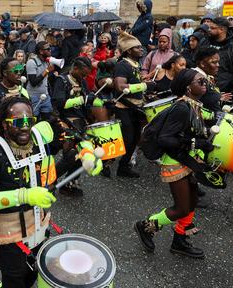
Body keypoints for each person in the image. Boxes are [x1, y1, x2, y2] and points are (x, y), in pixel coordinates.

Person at [0, 96, 100, 288]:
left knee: (35, 270)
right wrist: (25, 195)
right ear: (5, 125)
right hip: (9, 232)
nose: (25, 127)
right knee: (14, 278)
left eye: (29, 121)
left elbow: (78, 138)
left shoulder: (40, 134)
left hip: (40, 224)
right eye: (18, 122)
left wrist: (88, 154)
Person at [134, 69, 213, 259]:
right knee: (182, 208)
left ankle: (180, 240)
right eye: (200, 81)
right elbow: (165, 138)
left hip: (188, 159)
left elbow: (190, 131)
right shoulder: (182, 108)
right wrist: (196, 143)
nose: (205, 83)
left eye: (205, 80)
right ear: (188, 87)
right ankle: (146, 226)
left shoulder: (193, 105)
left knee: (192, 202)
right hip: (176, 162)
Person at [52, 56, 103, 193]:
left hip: (80, 122)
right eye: (83, 74)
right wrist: (82, 99)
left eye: (86, 75)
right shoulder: (61, 80)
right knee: (71, 155)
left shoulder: (82, 81)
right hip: (65, 122)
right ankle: (51, 179)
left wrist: (101, 102)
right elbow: (60, 104)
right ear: (75, 68)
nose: (84, 77)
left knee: (82, 154)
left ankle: (69, 182)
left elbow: (87, 100)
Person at [113, 32, 147, 178]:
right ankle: (106, 162)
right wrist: (144, 86)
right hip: (124, 107)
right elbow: (120, 87)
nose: (141, 49)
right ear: (128, 51)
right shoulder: (122, 65)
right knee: (127, 138)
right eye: (137, 48)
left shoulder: (136, 64)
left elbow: (134, 82)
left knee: (134, 139)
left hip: (136, 107)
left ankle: (123, 167)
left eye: (141, 47)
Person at [199, 17, 233, 92]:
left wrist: (230, 86)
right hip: (203, 85)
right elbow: (197, 60)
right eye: (209, 27)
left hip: (225, 88)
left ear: (221, 30)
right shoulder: (204, 41)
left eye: (212, 28)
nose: (209, 30)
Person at [0, 58, 28, 127]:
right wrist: (7, 107)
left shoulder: (22, 90)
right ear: (5, 73)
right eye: (16, 71)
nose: (19, 74)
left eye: (21, 71)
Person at [193, 47, 232, 113]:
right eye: (214, 62)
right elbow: (197, 100)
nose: (218, 65)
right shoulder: (196, 78)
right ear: (202, 64)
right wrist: (217, 97)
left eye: (218, 62)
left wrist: (216, 95)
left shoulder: (206, 76)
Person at [26, 41, 55, 120]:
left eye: (50, 48)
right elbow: (33, 82)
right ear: (41, 51)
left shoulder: (46, 62)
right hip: (34, 97)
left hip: (45, 95)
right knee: (34, 119)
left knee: (47, 119)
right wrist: (47, 71)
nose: (50, 51)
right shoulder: (32, 62)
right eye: (47, 49)